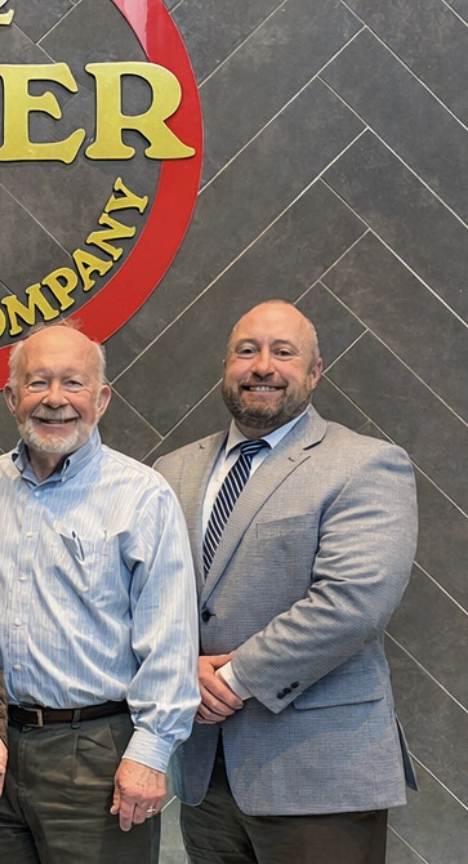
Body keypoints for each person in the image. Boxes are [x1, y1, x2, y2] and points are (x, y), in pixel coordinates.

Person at [154, 299, 418, 863]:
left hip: (322, 773)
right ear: (226, 365)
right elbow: (149, 600)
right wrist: (178, 669)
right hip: (204, 775)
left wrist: (233, 678)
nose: (262, 366)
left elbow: (351, 604)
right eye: (246, 351)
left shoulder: (366, 464)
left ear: (315, 371)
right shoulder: (170, 472)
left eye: (283, 352)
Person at [0, 324, 199, 863]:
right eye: (38, 382)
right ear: (11, 398)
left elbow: (171, 640)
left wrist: (150, 753)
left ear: (102, 399)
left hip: (97, 754)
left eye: (73, 383)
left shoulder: (142, 496)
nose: (55, 399)